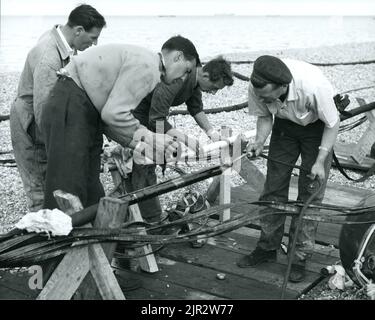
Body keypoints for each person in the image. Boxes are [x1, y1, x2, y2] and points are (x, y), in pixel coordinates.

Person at [40, 36, 200, 210]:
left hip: (83, 108)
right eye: (187, 70)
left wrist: (139, 146)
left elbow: (108, 119)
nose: (183, 78)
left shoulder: (146, 63)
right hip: (71, 103)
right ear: (177, 57)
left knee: (89, 182)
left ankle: (91, 231)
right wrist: (152, 137)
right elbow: (113, 114)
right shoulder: (149, 67)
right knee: (67, 184)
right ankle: (61, 233)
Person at [237, 55, 340, 282]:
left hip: (318, 128)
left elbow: (333, 124)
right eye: (260, 95)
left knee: (310, 194)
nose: (262, 98)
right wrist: (259, 141)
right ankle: (267, 247)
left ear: (283, 87)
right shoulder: (258, 85)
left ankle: (299, 256)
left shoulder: (314, 87)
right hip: (285, 127)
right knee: (273, 188)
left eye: (267, 95)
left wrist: (320, 161)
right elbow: (264, 117)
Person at [10, 4, 106, 212]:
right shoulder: (48, 56)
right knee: (40, 187)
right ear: (78, 30)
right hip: (31, 124)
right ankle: (43, 241)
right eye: (92, 37)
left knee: (54, 182)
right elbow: (44, 111)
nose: (95, 43)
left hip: (37, 117)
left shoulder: (61, 41)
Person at [130, 56, 234, 222]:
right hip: (136, 114)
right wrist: (187, 140)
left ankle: (143, 212)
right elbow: (157, 120)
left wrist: (212, 132)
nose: (213, 92)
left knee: (155, 157)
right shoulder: (178, 78)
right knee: (144, 162)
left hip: (153, 115)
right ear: (205, 75)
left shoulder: (195, 81)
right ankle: (149, 218)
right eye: (214, 87)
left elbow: (196, 108)